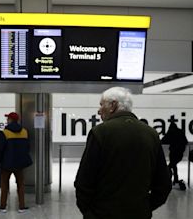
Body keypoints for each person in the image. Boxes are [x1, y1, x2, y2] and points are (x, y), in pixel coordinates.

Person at [74, 87, 171, 219]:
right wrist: (145, 207)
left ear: (113, 105)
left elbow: (84, 181)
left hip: (103, 214)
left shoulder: (100, 132)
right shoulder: (151, 134)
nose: (98, 110)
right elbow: (163, 184)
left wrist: (90, 212)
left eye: (101, 104)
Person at [0, 112, 32, 213]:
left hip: (7, 163)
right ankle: (21, 206)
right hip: (20, 164)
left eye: (7, 118)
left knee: (4, 185)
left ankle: (3, 206)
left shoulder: (5, 132)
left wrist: (0, 161)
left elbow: (1, 149)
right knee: (20, 185)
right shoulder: (25, 131)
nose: (6, 120)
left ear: (10, 120)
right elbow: (27, 147)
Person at [161, 122, 188, 190]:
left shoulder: (171, 132)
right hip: (179, 152)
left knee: (171, 166)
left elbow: (164, 140)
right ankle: (174, 180)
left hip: (173, 152)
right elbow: (185, 142)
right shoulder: (180, 132)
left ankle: (169, 180)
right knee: (173, 165)